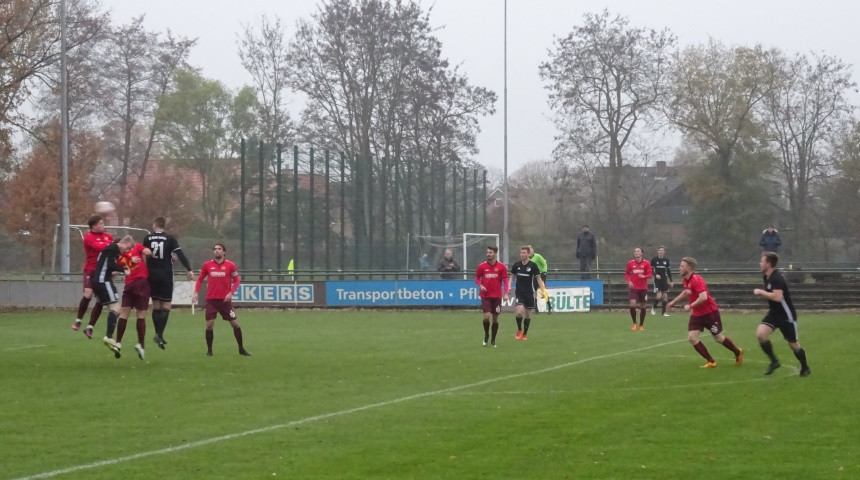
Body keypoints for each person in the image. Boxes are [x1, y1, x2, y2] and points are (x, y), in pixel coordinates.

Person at [666, 257, 744, 368]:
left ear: (689, 267)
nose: (679, 268)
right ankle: (711, 361)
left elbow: (703, 297)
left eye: (682, 266)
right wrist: (673, 302)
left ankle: (737, 352)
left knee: (718, 338)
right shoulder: (685, 279)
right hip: (697, 314)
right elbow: (686, 292)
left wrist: (690, 305)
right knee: (692, 338)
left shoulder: (696, 279)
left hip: (709, 313)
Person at [753, 251, 810, 377]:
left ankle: (805, 368)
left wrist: (761, 292)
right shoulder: (766, 276)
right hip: (774, 313)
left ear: (768, 263)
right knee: (761, 334)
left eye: (762, 261)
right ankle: (774, 362)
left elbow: (778, 297)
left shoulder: (776, 278)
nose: (760, 263)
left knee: (793, 344)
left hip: (786, 316)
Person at [144, 217, 195, 349]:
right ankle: (160, 334)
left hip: (151, 274)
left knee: (156, 305)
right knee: (166, 304)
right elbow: (180, 254)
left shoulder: (147, 238)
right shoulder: (170, 238)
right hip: (165, 274)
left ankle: (157, 333)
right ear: (163, 226)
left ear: (154, 225)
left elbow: (142, 255)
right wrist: (189, 269)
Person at [192, 243, 250, 357]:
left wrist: (230, 293)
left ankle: (241, 349)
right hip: (211, 301)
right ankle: (209, 351)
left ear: (224, 252)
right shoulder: (207, 265)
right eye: (215, 249)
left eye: (219, 249)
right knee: (209, 325)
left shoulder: (230, 265)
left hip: (225, 302)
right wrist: (195, 292)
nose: (216, 251)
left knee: (235, 324)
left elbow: (237, 281)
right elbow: (199, 279)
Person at [91, 235, 134, 358]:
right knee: (115, 307)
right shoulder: (113, 248)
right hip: (103, 281)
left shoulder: (111, 249)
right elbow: (109, 264)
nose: (127, 251)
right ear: (123, 242)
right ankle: (109, 337)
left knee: (115, 307)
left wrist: (113, 271)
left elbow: (105, 264)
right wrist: (123, 269)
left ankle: (108, 336)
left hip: (100, 280)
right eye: (128, 248)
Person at [71, 215, 113, 337]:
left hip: (103, 271)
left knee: (101, 300)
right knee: (88, 294)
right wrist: (111, 244)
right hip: (91, 270)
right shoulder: (88, 237)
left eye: (103, 223)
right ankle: (78, 320)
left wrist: (113, 267)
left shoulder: (108, 236)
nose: (103, 225)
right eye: (100, 223)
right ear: (94, 226)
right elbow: (99, 246)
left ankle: (90, 327)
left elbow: (113, 251)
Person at [115, 241, 152, 360]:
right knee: (141, 314)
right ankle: (141, 344)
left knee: (124, 313)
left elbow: (115, 271)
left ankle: (118, 342)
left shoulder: (120, 256)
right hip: (141, 283)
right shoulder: (136, 246)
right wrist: (146, 253)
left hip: (129, 285)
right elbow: (148, 251)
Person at [509, 246, 548, 340]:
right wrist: (509, 286)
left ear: (528, 254)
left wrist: (543, 291)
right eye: (521, 253)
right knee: (519, 312)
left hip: (530, 293)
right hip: (519, 292)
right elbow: (512, 276)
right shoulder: (517, 265)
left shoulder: (533, 266)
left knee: (527, 315)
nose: (522, 254)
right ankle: (519, 330)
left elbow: (539, 279)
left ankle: (525, 333)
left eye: (524, 253)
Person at [475, 246, 508, 347]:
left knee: (495, 318)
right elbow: (477, 278)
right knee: (486, 317)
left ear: (495, 254)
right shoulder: (482, 266)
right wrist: (480, 285)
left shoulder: (501, 267)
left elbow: (505, 281)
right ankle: (486, 335)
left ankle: (493, 339)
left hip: (497, 296)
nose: (488, 254)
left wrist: (506, 293)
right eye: (487, 252)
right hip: (485, 296)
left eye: (490, 252)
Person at [625, 247, 652, 330]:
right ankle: (634, 323)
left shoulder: (646, 263)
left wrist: (643, 276)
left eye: (638, 251)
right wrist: (629, 281)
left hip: (643, 288)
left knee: (643, 306)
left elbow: (650, 274)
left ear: (641, 253)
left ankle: (641, 325)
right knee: (632, 304)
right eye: (635, 251)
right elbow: (626, 273)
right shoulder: (630, 263)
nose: (636, 252)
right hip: (633, 288)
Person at [527, 245, 553, 313]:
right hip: (535, 276)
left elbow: (544, 263)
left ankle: (549, 307)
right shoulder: (528, 259)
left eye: (530, 250)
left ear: (533, 250)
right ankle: (536, 308)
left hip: (541, 274)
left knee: (543, 290)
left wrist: (544, 272)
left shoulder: (537, 256)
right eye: (528, 250)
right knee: (534, 291)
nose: (530, 251)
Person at [650, 246, 674, 317]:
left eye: (662, 250)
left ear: (664, 252)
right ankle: (653, 308)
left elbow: (669, 271)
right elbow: (651, 270)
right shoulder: (654, 259)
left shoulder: (667, 260)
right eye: (659, 250)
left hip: (664, 280)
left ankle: (663, 313)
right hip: (657, 280)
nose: (660, 251)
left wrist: (671, 281)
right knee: (659, 296)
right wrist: (655, 275)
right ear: (658, 251)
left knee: (665, 296)